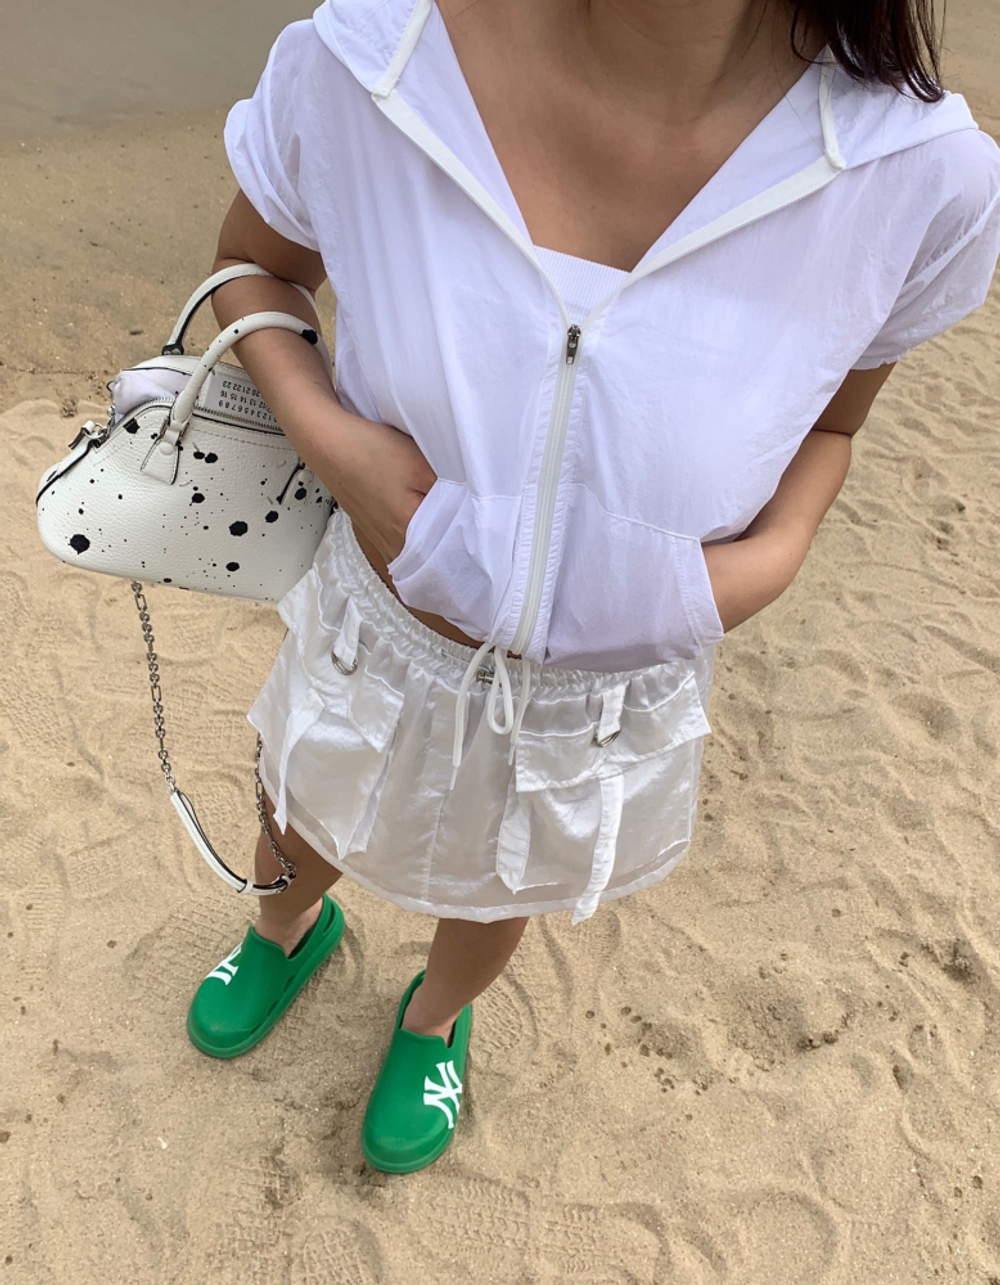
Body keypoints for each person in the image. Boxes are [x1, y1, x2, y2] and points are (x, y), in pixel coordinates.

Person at [185, 0, 1000, 1174]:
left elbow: (831, 425)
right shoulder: (375, 57)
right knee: (302, 794)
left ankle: (431, 1021)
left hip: (592, 693)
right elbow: (254, 267)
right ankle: (283, 929)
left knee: (506, 865)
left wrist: (770, 561)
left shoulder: (917, 177)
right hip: (376, 623)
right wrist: (332, 439)